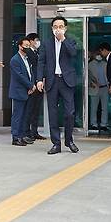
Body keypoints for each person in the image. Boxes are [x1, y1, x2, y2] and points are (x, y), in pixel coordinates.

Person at [36, 16, 79, 155]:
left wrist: (63, 40)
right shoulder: (46, 43)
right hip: (52, 81)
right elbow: (41, 62)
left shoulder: (71, 41)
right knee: (53, 114)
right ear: (52, 28)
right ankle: (56, 143)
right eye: (55, 27)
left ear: (65, 28)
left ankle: (69, 140)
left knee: (69, 113)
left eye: (61, 26)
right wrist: (39, 80)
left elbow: (73, 53)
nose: (58, 29)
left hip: (67, 81)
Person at [9, 37, 36, 146]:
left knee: (24, 115)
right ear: (20, 46)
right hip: (19, 91)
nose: (27, 48)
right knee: (18, 115)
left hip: (27, 90)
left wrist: (32, 85)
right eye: (25, 46)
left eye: (29, 46)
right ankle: (15, 137)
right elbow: (19, 76)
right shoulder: (15, 60)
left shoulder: (27, 59)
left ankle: (21, 135)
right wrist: (30, 86)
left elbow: (31, 73)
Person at [23, 32, 46, 140]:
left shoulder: (38, 52)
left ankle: (34, 131)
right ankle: (27, 132)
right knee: (29, 109)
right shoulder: (28, 52)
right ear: (31, 41)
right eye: (36, 40)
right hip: (32, 85)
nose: (37, 42)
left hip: (40, 84)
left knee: (36, 110)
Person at [87, 50, 108, 131]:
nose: (99, 55)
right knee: (93, 108)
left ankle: (104, 124)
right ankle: (93, 124)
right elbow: (86, 76)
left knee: (104, 107)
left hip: (104, 88)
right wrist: (90, 83)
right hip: (94, 88)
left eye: (100, 54)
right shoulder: (90, 64)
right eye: (97, 54)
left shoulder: (105, 64)